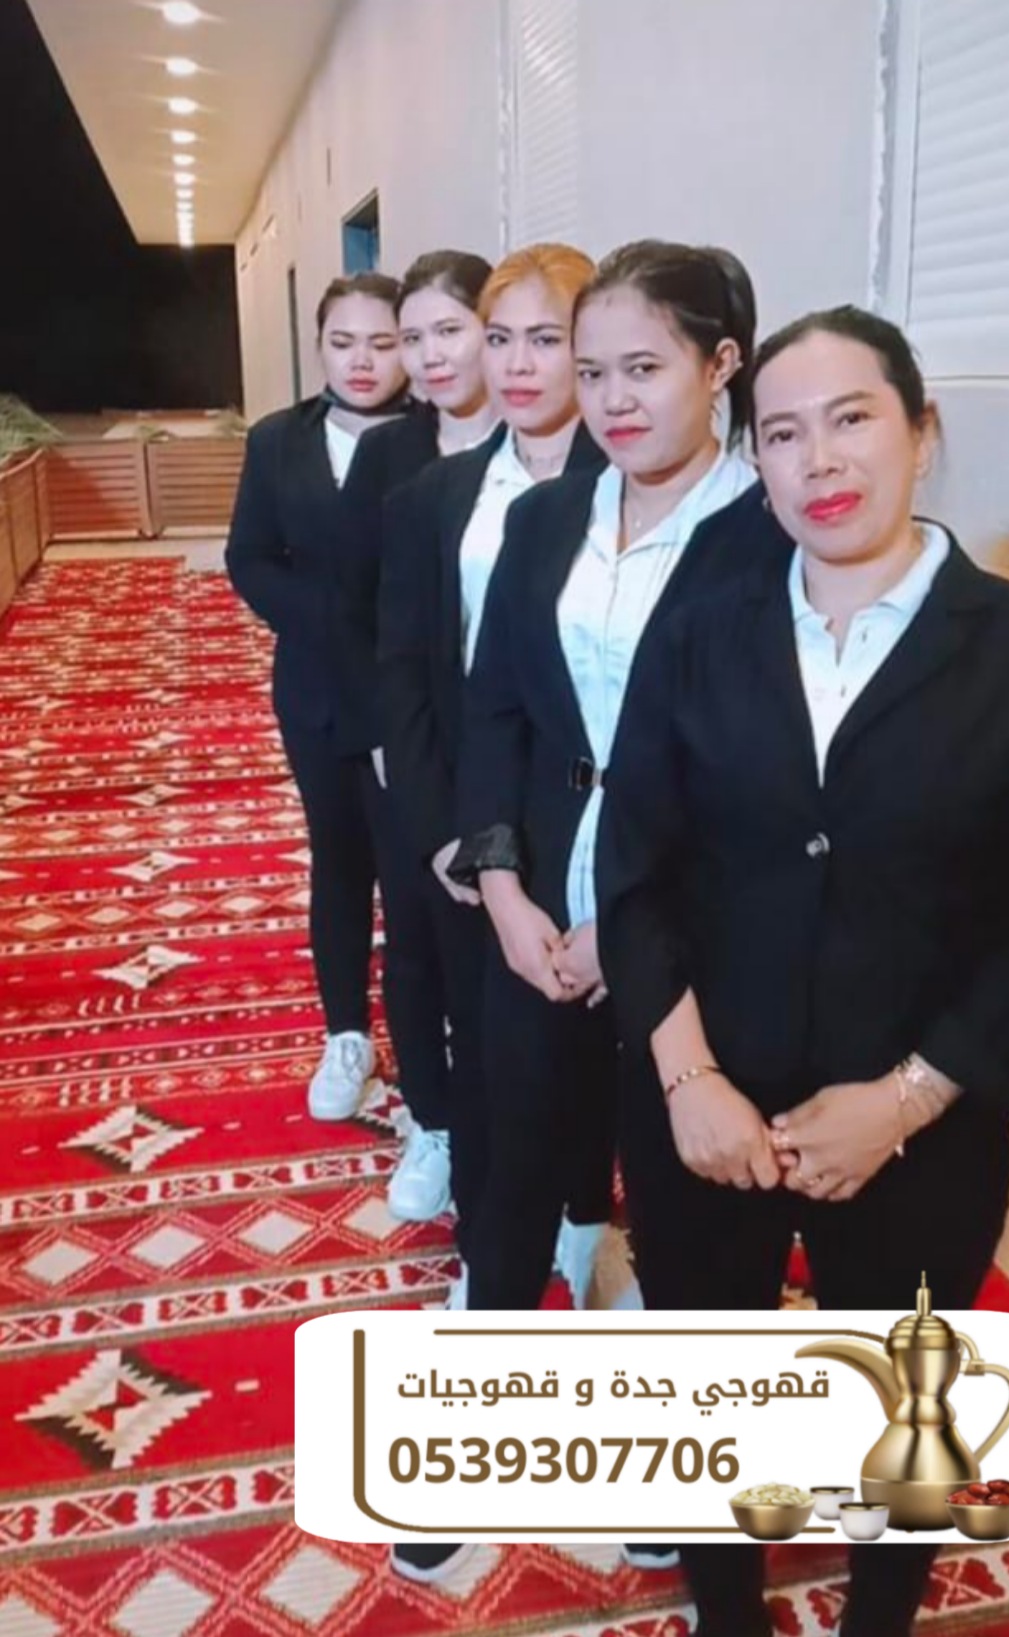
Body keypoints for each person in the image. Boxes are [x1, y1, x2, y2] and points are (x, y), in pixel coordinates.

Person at [596, 306, 1009, 1637]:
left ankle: (878, 1611)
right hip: (706, 1102)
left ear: (923, 431)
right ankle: (727, 1610)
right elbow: (632, 869)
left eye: (852, 418)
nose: (818, 460)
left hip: (923, 1117)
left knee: (901, 1407)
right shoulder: (700, 631)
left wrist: (907, 1098)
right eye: (783, 434)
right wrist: (686, 1077)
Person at [452, 240, 790, 1327]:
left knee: (681, 1187)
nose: (612, 400)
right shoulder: (546, 517)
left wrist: (636, 926)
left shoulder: (772, 540)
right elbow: (495, 708)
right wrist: (502, 887)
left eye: (643, 369)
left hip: (691, 917)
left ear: (720, 364)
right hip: (537, 900)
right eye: (591, 371)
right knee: (513, 1152)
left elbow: (767, 782)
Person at [379, 242, 604, 1315]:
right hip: (471, 818)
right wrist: (445, 829)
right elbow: (405, 671)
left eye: (545, 340)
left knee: (595, 1039)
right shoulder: (438, 494)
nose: (516, 365)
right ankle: (491, 1246)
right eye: (500, 337)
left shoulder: (633, 485)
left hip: (592, 810)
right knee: (489, 1048)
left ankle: (586, 1219)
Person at [225, 272, 413, 1124]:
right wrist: (332, 621)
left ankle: (430, 1036)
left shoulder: (436, 439)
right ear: (319, 346)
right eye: (344, 343)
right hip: (315, 691)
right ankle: (346, 1034)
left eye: (383, 342)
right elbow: (249, 557)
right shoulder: (278, 440)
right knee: (338, 859)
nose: (362, 361)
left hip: (409, 699)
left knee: (412, 873)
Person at [346, 249, 497, 1222]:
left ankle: (525, 1132)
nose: (431, 355)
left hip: (512, 744)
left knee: (502, 944)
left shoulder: (553, 444)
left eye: (450, 329)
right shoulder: (390, 456)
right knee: (414, 936)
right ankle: (434, 1122)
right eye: (414, 337)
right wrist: (384, 740)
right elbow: (358, 610)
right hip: (406, 741)